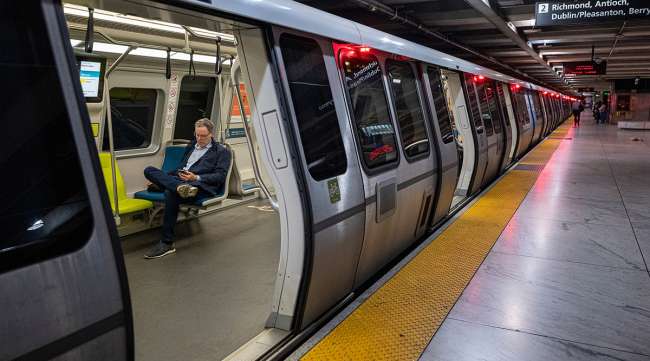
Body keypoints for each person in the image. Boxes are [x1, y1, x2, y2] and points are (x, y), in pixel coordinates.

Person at [143, 118, 231, 259]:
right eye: (197, 135)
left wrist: (195, 178)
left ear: (211, 134)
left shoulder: (222, 152)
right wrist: (164, 177)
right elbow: (181, 167)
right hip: (181, 180)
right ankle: (177, 187)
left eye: (203, 136)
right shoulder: (191, 145)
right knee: (149, 170)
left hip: (198, 185)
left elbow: (220, 177)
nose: (199, 138)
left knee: (170, 193)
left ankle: (166, 243)